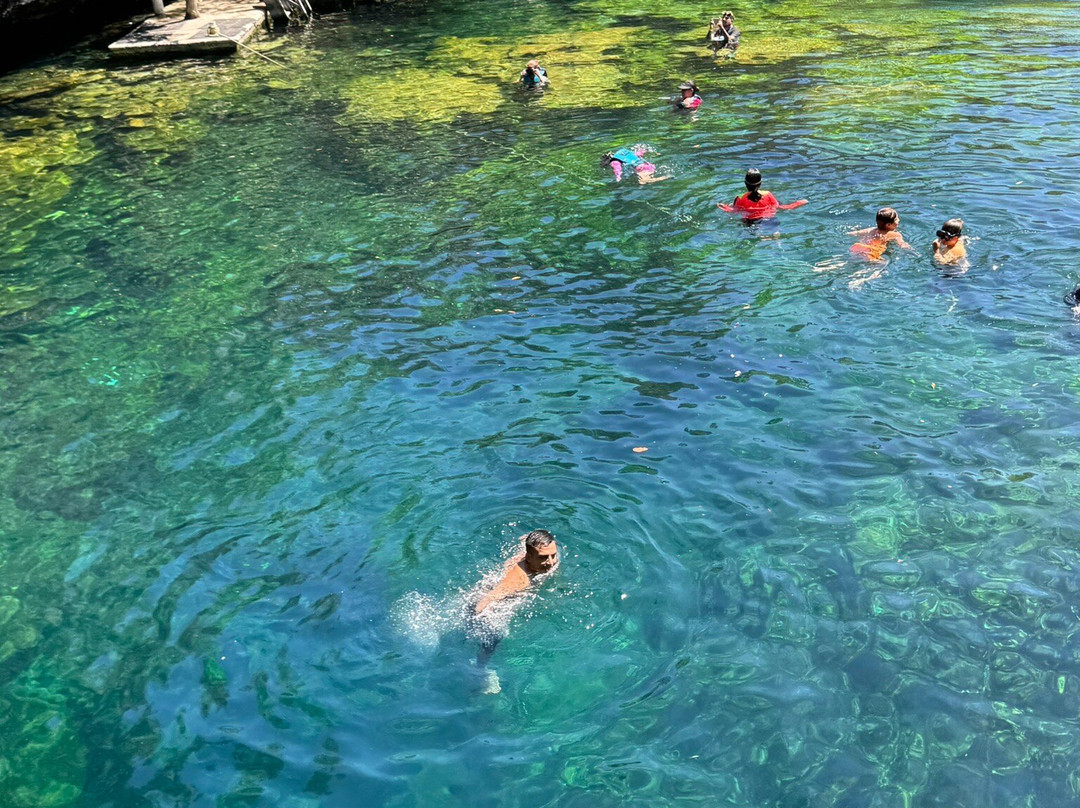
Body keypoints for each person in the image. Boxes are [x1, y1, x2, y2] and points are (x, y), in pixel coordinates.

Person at [474, 530, 559, 616]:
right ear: (528, 557)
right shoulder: (521, 580)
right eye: (543, 557)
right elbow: (486, 601)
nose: (551, 562)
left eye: (553, 555)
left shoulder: (541, 551)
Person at [718, 168, 807, 220]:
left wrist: (724, 207)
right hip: (768, 219)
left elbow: (734, 211)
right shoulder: (768, 195)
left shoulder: (739, 198)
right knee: (774, 232)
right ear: (760, 183)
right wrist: (799, 203)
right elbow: (781, 207)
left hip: (749, 221)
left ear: (745, 183)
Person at [602, 146, 669, 184]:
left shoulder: (614, 161)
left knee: (643, 182)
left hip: (642, 169)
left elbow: (617, 170)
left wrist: (618, 178)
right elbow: (641, 152)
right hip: (648, 165)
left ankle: (666, 177)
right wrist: (655, 153)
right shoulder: (626, 154)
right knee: (646, 179)